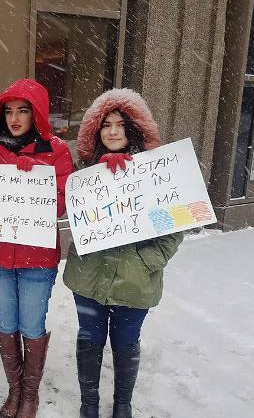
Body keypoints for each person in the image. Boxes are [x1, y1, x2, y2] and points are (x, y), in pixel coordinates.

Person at [63, 88, 184, 418]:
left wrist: (146, 262)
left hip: (135, 281)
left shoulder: (155, 173)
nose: (112, 131)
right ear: (96, 131)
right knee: (89, 338)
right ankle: (89, 404)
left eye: (120, 124)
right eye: (105, 125)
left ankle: (122, 404)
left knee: (125, 341)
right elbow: (69, 212)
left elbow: (172, 227)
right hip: (88, 277)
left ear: (134, 129)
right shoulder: (83, 173)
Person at [0, 79, 73, 418]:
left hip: (37, 261)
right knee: (6, 325)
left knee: (31, 327)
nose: (15, 118)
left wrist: (38, 177)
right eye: (9, 110)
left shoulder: (57, 151)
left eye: (23, 110)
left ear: (37, 114)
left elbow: (62, 205)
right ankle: (14, 390)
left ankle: (29, 394)